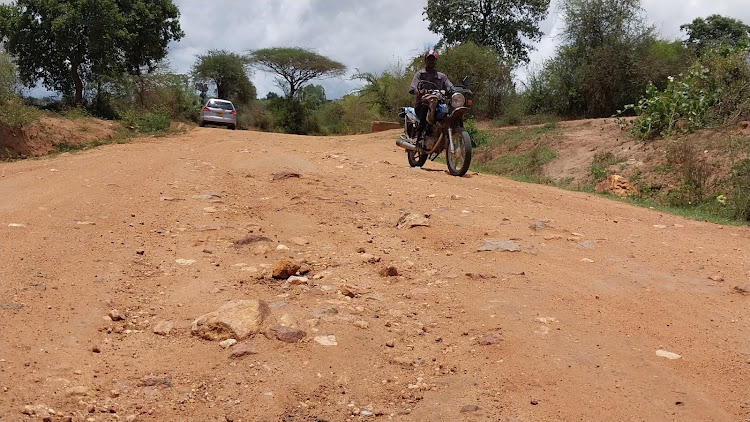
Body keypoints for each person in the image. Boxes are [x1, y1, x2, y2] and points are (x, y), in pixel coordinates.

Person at [408, 49, 454, 143]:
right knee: (425, 107)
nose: (431, 61)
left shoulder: (442, 77)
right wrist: (419, 92)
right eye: (429, 59)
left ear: (436, 61)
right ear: (425, 60)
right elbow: (412, 88)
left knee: (451, 109)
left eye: (433, 59)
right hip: (421, 105)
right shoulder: (420, 74)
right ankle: (418, 133)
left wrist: (455, 90)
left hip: (438, 105)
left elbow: (450, 86)